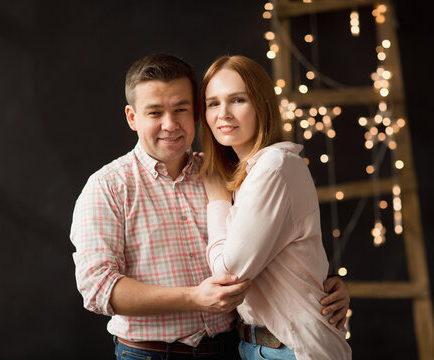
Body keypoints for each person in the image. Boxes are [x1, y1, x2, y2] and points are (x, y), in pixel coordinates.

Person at [69, 53, 350, 360]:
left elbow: (276, 238)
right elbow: (98, 288)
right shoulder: (108, 186)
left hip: (233, 349)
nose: (170, 123)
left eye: (181, 109)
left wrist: (326, 283)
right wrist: (193, 298)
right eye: (154, 113)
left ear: (196, 113)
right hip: (153, 354)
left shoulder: (225, 172)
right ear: (132, 117)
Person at [199, 54, 352, 360]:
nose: (223, 114)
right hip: (255, 347)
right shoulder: (247, 172)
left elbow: (229, 272)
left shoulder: (274, 166)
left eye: (237, 100)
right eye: (213, 103)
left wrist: (217, 201)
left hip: (290, 350)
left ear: (262, 105)